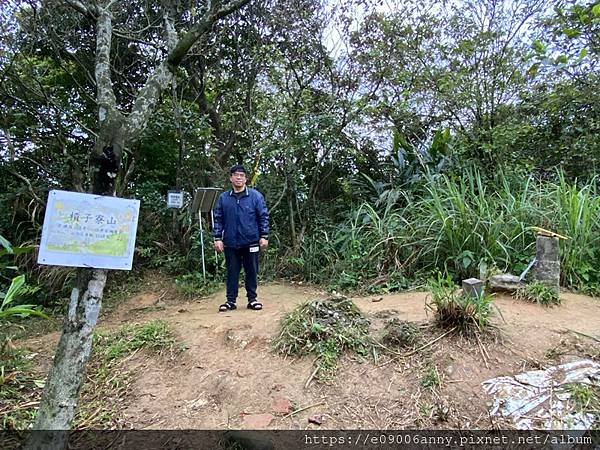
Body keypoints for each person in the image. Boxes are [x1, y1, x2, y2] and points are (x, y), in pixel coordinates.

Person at [213, 164, 269, 312]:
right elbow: (218, 218)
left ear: (246, 179)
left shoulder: (255, 196)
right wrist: (217, 238)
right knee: (232, 271)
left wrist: (264, 236)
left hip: (251, 241)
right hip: (231, 242)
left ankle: (252, 299)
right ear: (230, 178)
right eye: (236, 175)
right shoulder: (224, 198)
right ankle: (230, 301)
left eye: (242, 175)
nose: (239, 178)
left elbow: (263, 216)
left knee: (252, 270)